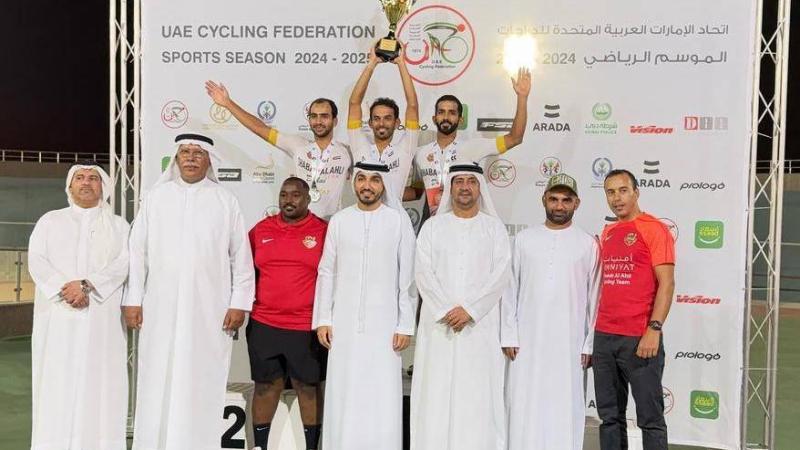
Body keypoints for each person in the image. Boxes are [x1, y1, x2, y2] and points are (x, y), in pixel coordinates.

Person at [123, 133, 256, 450]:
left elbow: (241, 256)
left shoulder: (225, 200)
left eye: (198, 153)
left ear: (209, 160)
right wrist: (133, 299)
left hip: (208, 310)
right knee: (158, 373)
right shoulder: (156, 198)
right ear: (176, 158)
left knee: (201, 377)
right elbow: (137, 253)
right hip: (160, 307)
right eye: (185, 152)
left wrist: (239, 302)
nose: (192, 158)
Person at [312, 161, 416, 450]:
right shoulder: (340, 220)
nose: (367, 185)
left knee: (381, 393)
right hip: (343, 325)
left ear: (383, 185)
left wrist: (405, 324)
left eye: (374, 179)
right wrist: (323, 318)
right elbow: (327, 271)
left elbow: (408, 277)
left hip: (385, 327)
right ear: (353, 183)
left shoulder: (397, 221)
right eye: (361, 179)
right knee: (344, 391)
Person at [28, 163, 130, 450]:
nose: (86, 182)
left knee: (101, 384)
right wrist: (66, 290)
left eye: (94, 178)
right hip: (58, 318)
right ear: (69, 186)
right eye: (80, 178)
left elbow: (124, 264)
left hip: (101, 320)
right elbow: (36, 260)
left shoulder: (119, 226)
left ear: (103, 187)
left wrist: (87, 285)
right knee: (56, 382)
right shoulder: (50, 221)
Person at [411, 163, 512, 450]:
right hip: (439, 326)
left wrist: (470, 310)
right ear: (450, 188)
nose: (465, 187)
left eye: (471, 181)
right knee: (436, 391)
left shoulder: (494, 229)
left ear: (480, 187)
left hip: (479, 327)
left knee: (478, 394)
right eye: (459, 182)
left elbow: (500, 275)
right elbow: (423, 273)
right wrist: (446, 309)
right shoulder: (432, 227)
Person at [501, 173, 601, 450]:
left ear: (577, 203)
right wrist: (509, 334)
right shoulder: (523, 239)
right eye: (554, 199)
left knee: (565, 405)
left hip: (570, 344)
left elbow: (596, 297)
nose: (559, 206)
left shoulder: (588, 244)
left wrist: (589, 343)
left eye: (566, 200)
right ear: (543, 199)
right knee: (523, 402)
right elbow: (509, 289)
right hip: (526, 341)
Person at [593, 169, 676, 450]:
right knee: (609, 418)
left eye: (623, 190)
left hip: (640, 338)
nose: (617, 198)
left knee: (650, 419)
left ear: (636, 192)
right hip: (604, 337)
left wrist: (654, 329)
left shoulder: (654, 228)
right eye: (610, 192)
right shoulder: (608, 232)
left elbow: (667, 283)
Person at [246, 177, 328, 450]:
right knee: (265, 386)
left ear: (308, 198)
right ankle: (260, 446)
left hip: (306, 326)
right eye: (283, 194)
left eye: (295, 195)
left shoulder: (323, 231)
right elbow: (242, 269)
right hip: (264, 323)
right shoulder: (261, 230)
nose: (288, 200)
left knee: (308, 387)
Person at [205, 82, 352, 219]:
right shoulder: (298, 145)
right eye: (314, 116)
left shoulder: (346, 152)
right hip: (301, 224)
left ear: (335, 121)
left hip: (332, 225)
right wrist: (228, 103)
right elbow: (261, 129)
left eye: (324, 116)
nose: (318, 121)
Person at [411, 68, 532, 215]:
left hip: (464, 221)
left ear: (460, 120)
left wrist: (522, 98)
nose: (446, 117)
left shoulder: (472, 147)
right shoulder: (421, 153)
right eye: (441, 112)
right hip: (432, 224)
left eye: (452, 113)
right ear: (434, 118)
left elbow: (515, 138)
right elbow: (417, 191)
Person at [348, 45, 419, 202]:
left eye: (387, 118)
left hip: (395, 217)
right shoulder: (360, 146)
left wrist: (401, 63)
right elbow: (354, 104)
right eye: (377, 118)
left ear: (397, 122)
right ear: (370, 123)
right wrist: (372, 63)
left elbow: (412, 105)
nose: (381, 123)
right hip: (362, 214)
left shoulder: (405, 148)